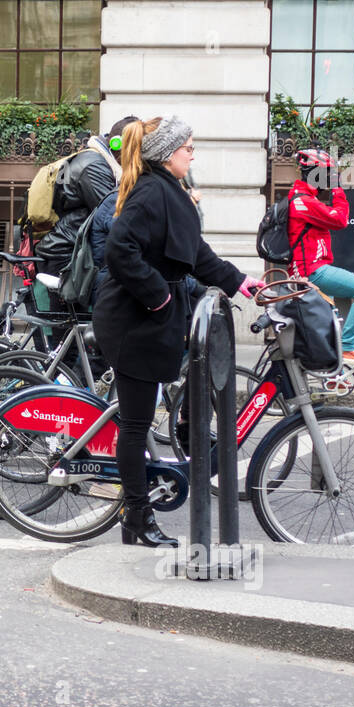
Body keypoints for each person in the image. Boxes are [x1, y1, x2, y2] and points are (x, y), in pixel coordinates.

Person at [93, 116, 263, 548]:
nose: (193, 153)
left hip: (150, 317)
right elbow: (119, 250)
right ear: (169, 154)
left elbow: (196, 254)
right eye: (189, 147)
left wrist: (240, 281)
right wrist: (158, 297)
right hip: (134, 320)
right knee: (134, 425)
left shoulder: (167, 191)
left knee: (139, 420)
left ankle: (141, 508)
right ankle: (136, 519)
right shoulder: (152, 191)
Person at [287, 148, 354, 367]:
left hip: (308, 269)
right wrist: (337, 189)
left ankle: (335, 379)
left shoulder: (303, 198)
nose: (329, 179)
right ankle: (347, 348)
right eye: (327, 174)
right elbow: (340, 219)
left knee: (328, 329)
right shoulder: (304, 202)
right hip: (313, 271)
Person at [34, 116, 136, 274]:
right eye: (137, 148)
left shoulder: (100, 162)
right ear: (120, 144)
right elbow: (115, 215)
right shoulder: (93, 167)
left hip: (76, 250)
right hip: (67, 254)